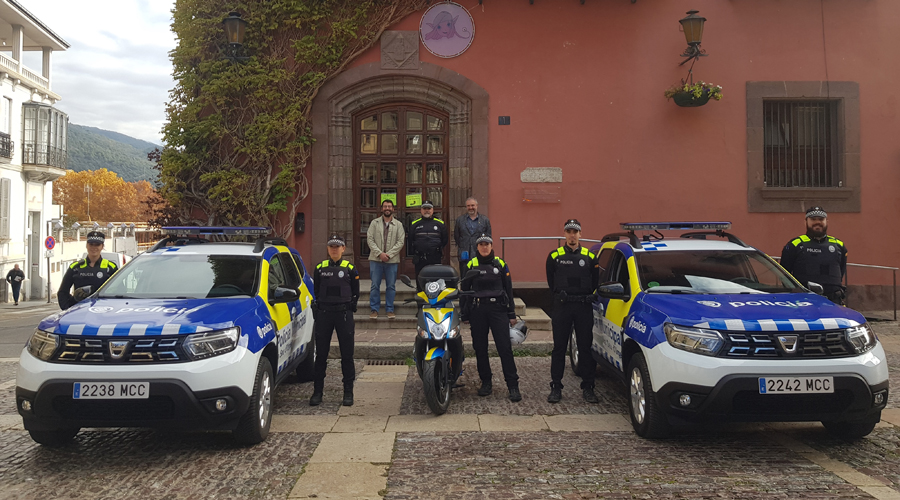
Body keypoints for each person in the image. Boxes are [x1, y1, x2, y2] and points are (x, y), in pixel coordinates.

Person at [461, 233, 521, 402]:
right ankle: (486, 382)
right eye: (481, 244)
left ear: (491, 246)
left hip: (498, 311)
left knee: (504, 349)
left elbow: (508, 289)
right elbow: (465, 289)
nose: (484, 247)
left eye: (487, 244)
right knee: (480, 348)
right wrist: (465, 313)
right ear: (477, 247)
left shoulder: (500, 264)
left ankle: (513, 386)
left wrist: (511, 313)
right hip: (478, 310)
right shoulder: (471, 264)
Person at [546, 219, 600, 404]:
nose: (572, 235)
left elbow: (595, 282)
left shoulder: (590, 256)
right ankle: (556, 386)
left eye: (575, 232)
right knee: (559, 348)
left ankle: (588, 387)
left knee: (585, 347)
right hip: (563, 306)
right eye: (569, 231)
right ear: (564, 234)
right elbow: (551, 282)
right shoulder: (554, 256)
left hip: (583, 306)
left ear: (580, 234)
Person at [310, 235, 360, 407]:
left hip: (343, 314)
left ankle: (348, 392)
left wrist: (350, 306)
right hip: (324, 314)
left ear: (343, 249)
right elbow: (316, 289)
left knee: (347, 355)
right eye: (331, 246)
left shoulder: (350, 269)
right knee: (321, 355)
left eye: (337, 247)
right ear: (327, 249)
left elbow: (355, 292)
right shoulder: (319, 268)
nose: (334, 249)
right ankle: (317, 392)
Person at [781, 206, 848, 305]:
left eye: (821, 219)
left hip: (833, 301)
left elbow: (841, 270)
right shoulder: (795, 244)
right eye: (813, 219)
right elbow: (784, 275)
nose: (817, 222)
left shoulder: (839, 245)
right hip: (804, 301)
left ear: (826, 221)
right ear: (806, 222)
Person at [58, 231, 119, 310]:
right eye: (91, 244)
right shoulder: (75, 267)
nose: (94, 247)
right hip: (80, 311)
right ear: (86, 245)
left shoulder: (111, 267)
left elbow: (119, 292)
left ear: (102, 246)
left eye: (97, 244)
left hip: (103, 311)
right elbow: (62, 292)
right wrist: (68, 309)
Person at [366, 199, 405, 319]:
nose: (387, 208)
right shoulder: (374, 223)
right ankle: (374, 310)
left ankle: (389, 309)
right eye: (385, 206)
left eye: (389, 206)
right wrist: (380, 254)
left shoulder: (398, 224)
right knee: (375, 286)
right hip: (375, 260)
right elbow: (370, 239)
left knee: (391, 286)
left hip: (391, 261)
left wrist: (388, 255)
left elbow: (400, 241)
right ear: (382, 209)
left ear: (393, 209)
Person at [408, 200, 448, 290]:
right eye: (424, 208)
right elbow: (410, 240)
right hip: (420, 258)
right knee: (420, 281)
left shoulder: (440, 223)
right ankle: (421, 303)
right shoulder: (415, 224)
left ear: (432, 210)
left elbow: (444, 240)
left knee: (435, 281)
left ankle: (434, 303)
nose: (427, 211)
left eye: (429, 208)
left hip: (435, 257)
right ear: (421, 210)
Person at [454, 197, 491, 270]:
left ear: (477, 206)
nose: (470, 207)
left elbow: (488, 237)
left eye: (472, 205)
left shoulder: (485, 220)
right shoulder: (460, 220)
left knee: (479, 276)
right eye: (468, 206)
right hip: (465, 254)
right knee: (465, 276)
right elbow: (457, 236)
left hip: (479, 254)